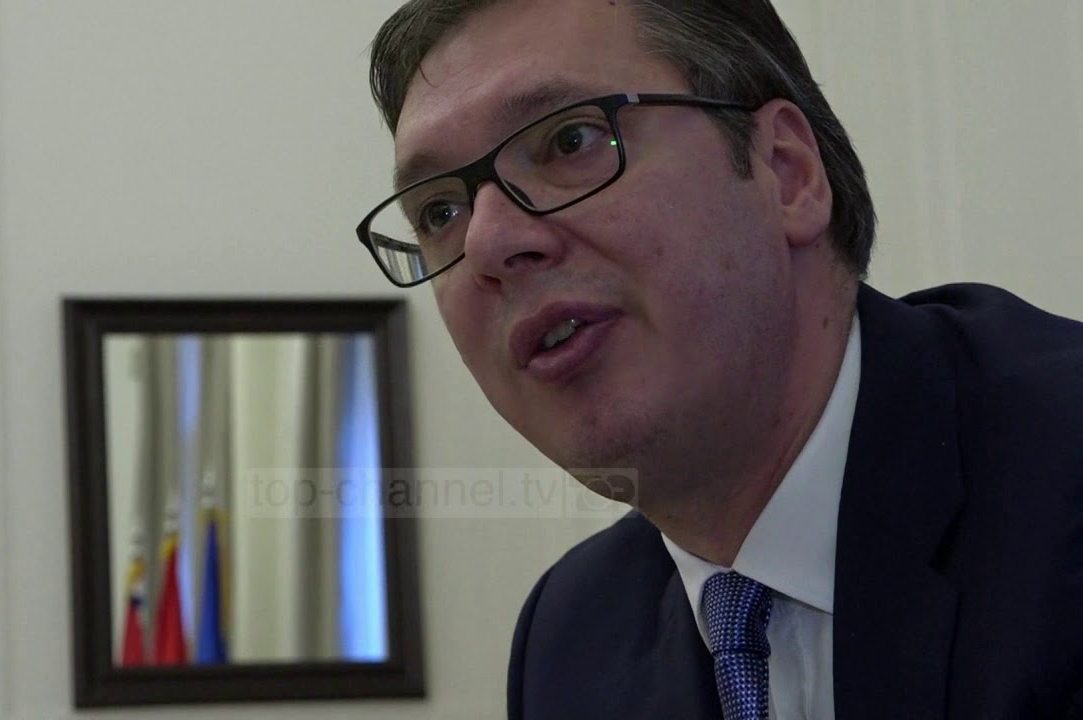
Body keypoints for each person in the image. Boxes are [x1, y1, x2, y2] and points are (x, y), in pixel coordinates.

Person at [355, 0, 1083, 718]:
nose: (486, 243)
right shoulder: (571, 640)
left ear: (786, 172)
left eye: (570, 141)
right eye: (440, 212)